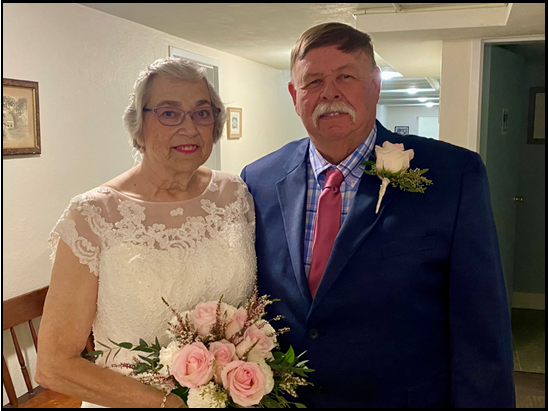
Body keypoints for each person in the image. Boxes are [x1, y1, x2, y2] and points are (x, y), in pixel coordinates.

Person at [241, 23, 515, 408]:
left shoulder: (453, 175)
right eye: (313, 81)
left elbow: (480, 323)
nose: (330, 92)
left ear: (375, 85)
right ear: (294, 95)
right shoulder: (258, 180)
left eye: (345, 76)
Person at [36, 58, 257, 408]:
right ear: (138, 126)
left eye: (202, 113)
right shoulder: (93, 215)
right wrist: (169, 404)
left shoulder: (234, 194)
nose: (189, 128)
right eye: (169, 113)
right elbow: (54, 366)